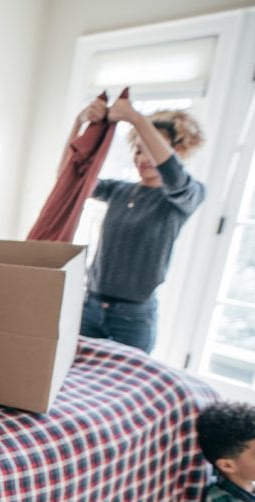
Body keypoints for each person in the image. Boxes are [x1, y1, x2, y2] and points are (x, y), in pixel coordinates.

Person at [65, 96, 206, 353]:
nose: (143, 158)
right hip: (90, 308)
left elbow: (174, 176)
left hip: (132, 319)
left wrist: (137, 119)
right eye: (138, 149)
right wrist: (79, 123)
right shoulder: (119, 191)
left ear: (180, 152)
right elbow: (70, 177)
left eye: (152, 149)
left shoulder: (184, 197)